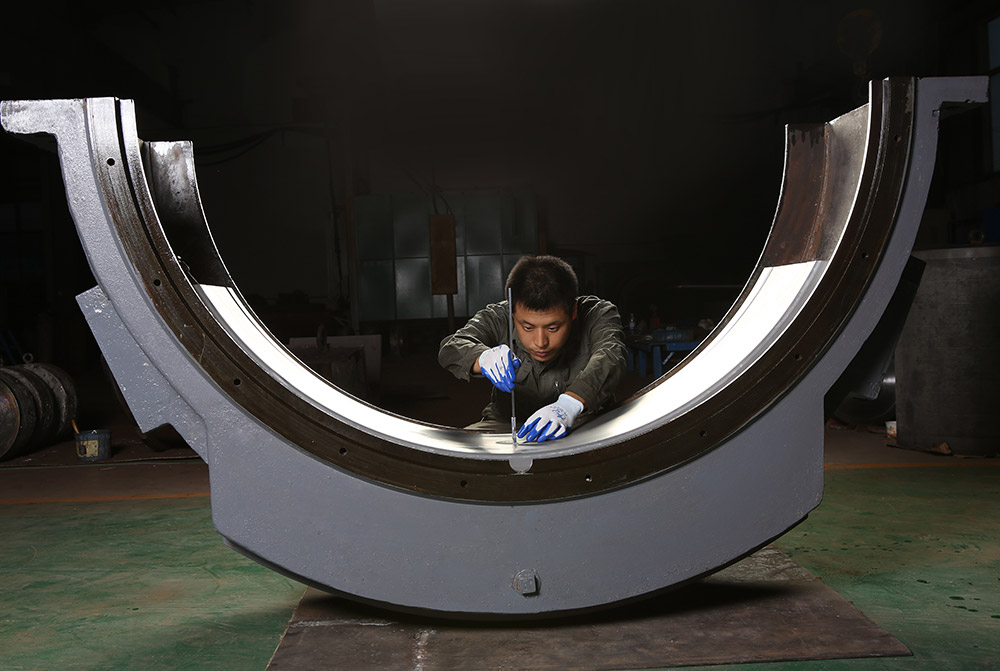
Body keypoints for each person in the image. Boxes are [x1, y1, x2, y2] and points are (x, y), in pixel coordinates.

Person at [438, 255, 627, 442]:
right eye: (528, 327)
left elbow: (611, 355)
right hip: (508, 424)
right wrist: (482, 358)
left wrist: (569, 405)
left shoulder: (598, 314)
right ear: (512, 312)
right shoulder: (498, 316)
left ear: (574, 311)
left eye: (553, 328)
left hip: (582, 420)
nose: (540, 342)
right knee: (461, 452)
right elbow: (452, 347)